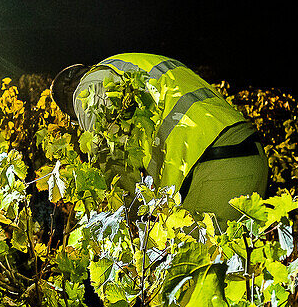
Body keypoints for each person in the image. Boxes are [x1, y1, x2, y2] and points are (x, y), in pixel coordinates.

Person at [51, 54, 268, 225]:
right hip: (249, 155)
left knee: (193, 274)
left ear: (69, 87)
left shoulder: (87, 87)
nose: (78, 123)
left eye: (73, 117)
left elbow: (112, 155)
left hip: (211, 168)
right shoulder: (133, 63)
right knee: (239, 276)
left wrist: (128, 220)